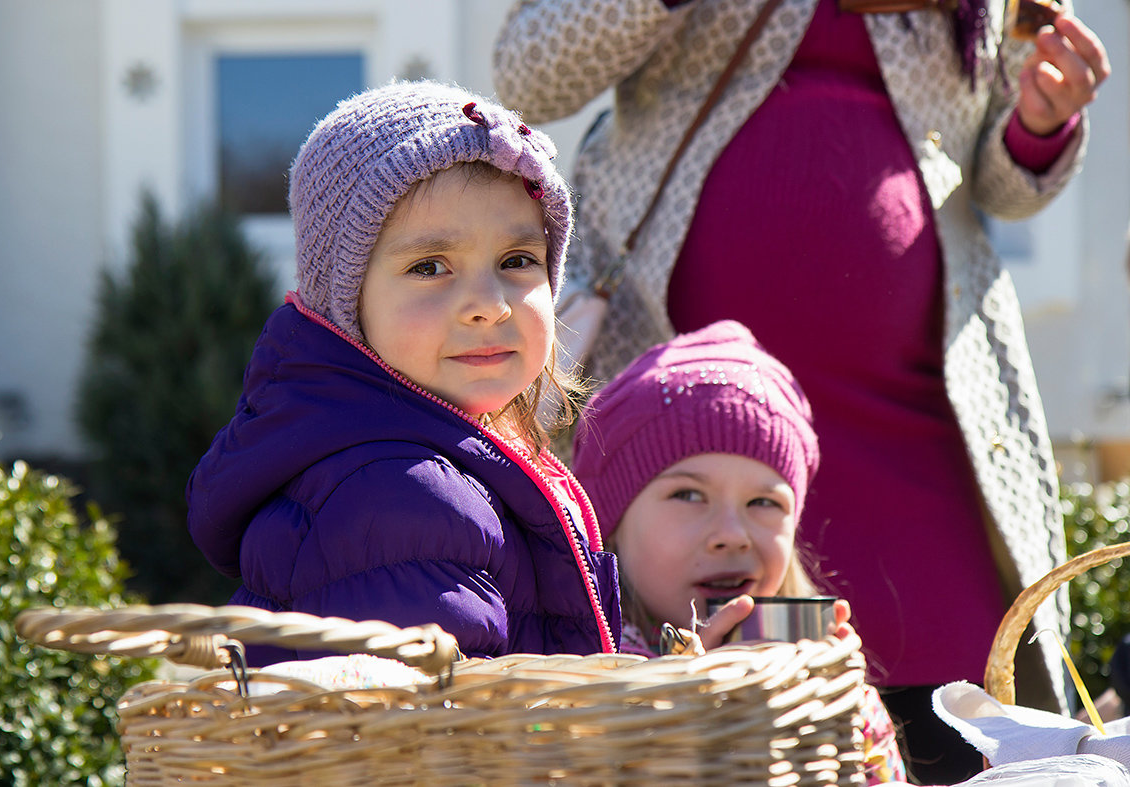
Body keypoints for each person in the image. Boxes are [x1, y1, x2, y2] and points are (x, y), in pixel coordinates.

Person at [494, 2, 1109, 783]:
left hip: (920, 419)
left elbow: (990, 171)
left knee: (961, 708)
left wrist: (1038, 125)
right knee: (691, 708)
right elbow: (529, 71)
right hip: (689, 421)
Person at [186, 80, 620, 666]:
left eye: (517, 261)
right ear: (348, 300)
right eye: (431, 266)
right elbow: (439, 742)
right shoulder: (402, 495)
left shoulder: (451, 460)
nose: (489, 305)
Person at [572, 320, 908, 784]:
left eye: (763, 503)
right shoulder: (570, 674)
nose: (732, 534)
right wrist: (680, 698)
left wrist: (833, 701)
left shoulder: (825, 683)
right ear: (612, 525)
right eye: (688, 495)